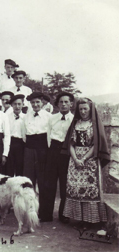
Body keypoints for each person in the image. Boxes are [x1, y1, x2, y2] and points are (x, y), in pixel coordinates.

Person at [62, 98, 110, 230]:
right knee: (76, 188)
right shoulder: (76, 124)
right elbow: (70, 144)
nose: (83, 112)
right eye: (80, 109)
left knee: (90, 189)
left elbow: (96, 146)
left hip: (90, 161)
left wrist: (83, 159)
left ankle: (92, 220)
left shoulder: (94, 125)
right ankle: (80, 219)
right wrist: (76, 159)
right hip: (75, 160)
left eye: (85, 109)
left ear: (90, 109)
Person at [42, 92, 74, 223]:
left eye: (66, 102)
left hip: (67, 153)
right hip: (53, 151)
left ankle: (63, 214)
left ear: (71, 104)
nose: (64, 104)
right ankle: (46, 214)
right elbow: (48, 136)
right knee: (49, 183)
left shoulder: (74, 120)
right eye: (61, 102)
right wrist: (51, 151)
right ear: (57, 104)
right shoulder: (52, 118)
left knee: (65, 184)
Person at [22, 92, 51, 221]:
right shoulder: (26, 117)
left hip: (43, 150)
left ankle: (44, 213)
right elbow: (24, 136)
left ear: (42, 102)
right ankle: (29, 211)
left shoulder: (49, 117)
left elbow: (50, 135)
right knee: (28, 181)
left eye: (37, 102)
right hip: (29, 149)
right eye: (32, 102)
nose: (35, 105)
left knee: (43, 181)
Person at [6, 94, 26, 176]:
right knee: (9, 168)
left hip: (22, 144)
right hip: (10, 143)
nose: (17, 106)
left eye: (19, 104)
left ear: (23, 104)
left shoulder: (26, 117)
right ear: (11, 105)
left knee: (20, 167)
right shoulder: (6, 117)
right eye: (15, 104)